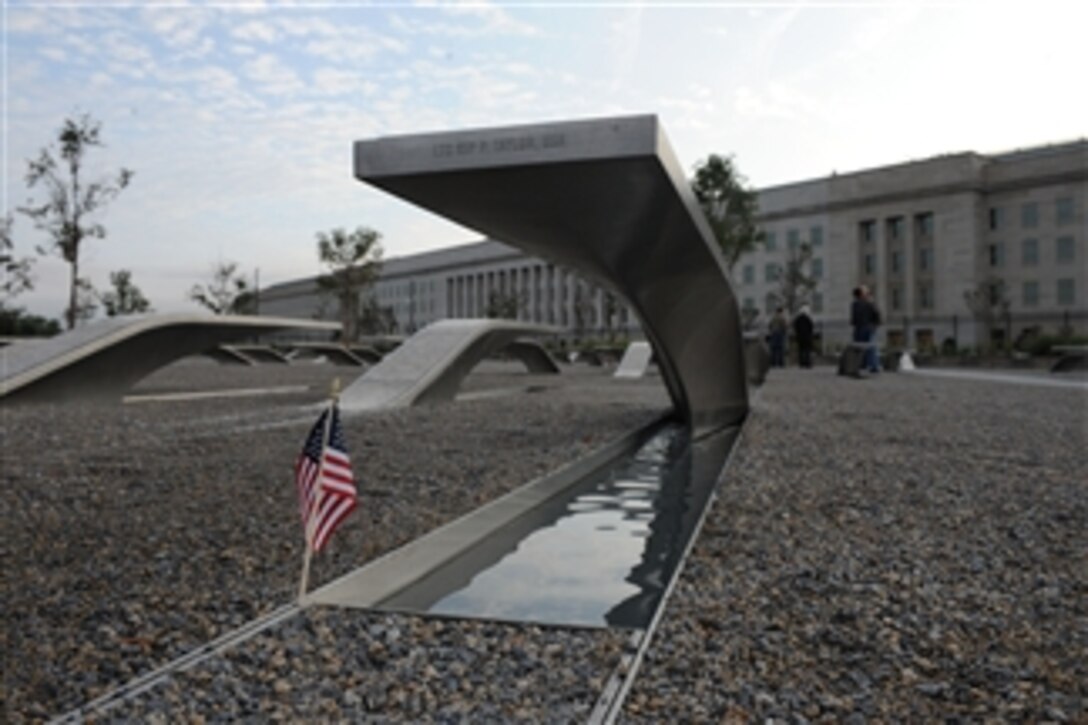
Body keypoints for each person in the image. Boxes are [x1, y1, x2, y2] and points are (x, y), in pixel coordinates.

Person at [850, 286, 880, 373]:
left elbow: (854, 319)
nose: (867, 293)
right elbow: (877, 314)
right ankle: (871, 365)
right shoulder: (869, 303)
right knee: (869, 347)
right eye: (865, 292)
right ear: (861, 294)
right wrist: (875, 325)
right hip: (866, 327)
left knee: (863, 347)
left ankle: (865, 364)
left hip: (862, 327)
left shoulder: (856, 304)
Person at [793, 304, 815, 368]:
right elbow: (811, 327)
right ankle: (807, 363)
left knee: (801, 350)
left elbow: (795, 327)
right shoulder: (808, 319)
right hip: (807, 337)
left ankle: (801, 363)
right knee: (807, 350)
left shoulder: (797, 319)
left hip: (800, 337)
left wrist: (797, 334)